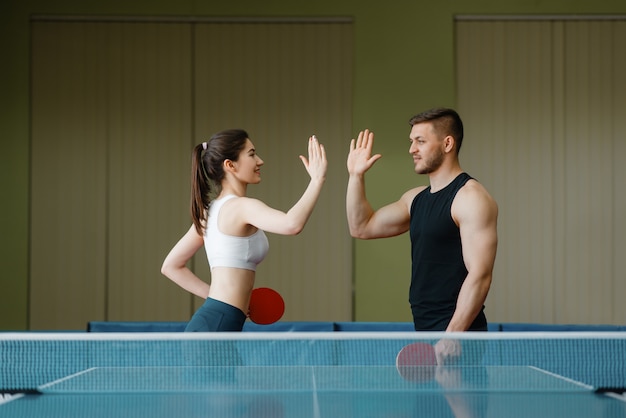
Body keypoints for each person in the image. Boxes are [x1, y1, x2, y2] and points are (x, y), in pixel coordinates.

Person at [346, 108, 498, 363]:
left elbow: (480, 275)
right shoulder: (415, 199)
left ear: (447, 143)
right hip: (426, 328)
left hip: (459, 335)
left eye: (420, 141)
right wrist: (355, 176)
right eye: (411, 141)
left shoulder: (470, 198)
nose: (411, 149)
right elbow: (361, 227)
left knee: (459, 404)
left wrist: (453, 336)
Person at [162, 129, 327, 332]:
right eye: (251, 154)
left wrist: (215, 296)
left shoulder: (210, 211)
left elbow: (171, 266)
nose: (260, 161)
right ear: (230, 165)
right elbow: (292, 224)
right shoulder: (242, 207)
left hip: (216, 319)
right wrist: (317, 180)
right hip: (218, 324)